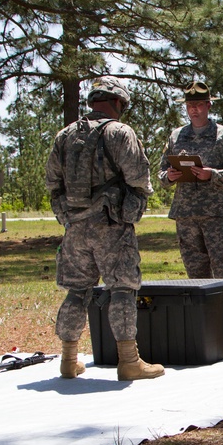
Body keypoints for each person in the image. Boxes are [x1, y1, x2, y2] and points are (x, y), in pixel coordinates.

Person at [46, 76, 164, 382]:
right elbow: (139, 179)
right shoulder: (120, 132)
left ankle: (69, 360)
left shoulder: (65, 135)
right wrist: (130, 211)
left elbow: (52, 184)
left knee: (76, 292)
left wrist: (68, 217)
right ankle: (129, 361)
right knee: (122, 289)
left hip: (75, 229)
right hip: (112, 226)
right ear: (118, 103)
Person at [159, 81, 223, 347]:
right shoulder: (176, 136)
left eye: (199, 105)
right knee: (195, 271)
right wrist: (170, 176)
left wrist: (213, 174)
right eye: (190, 105)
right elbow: (161, 175)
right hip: (186, 214)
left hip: (216, 214)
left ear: (209, 105)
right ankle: (204, 324)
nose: (194, 110)